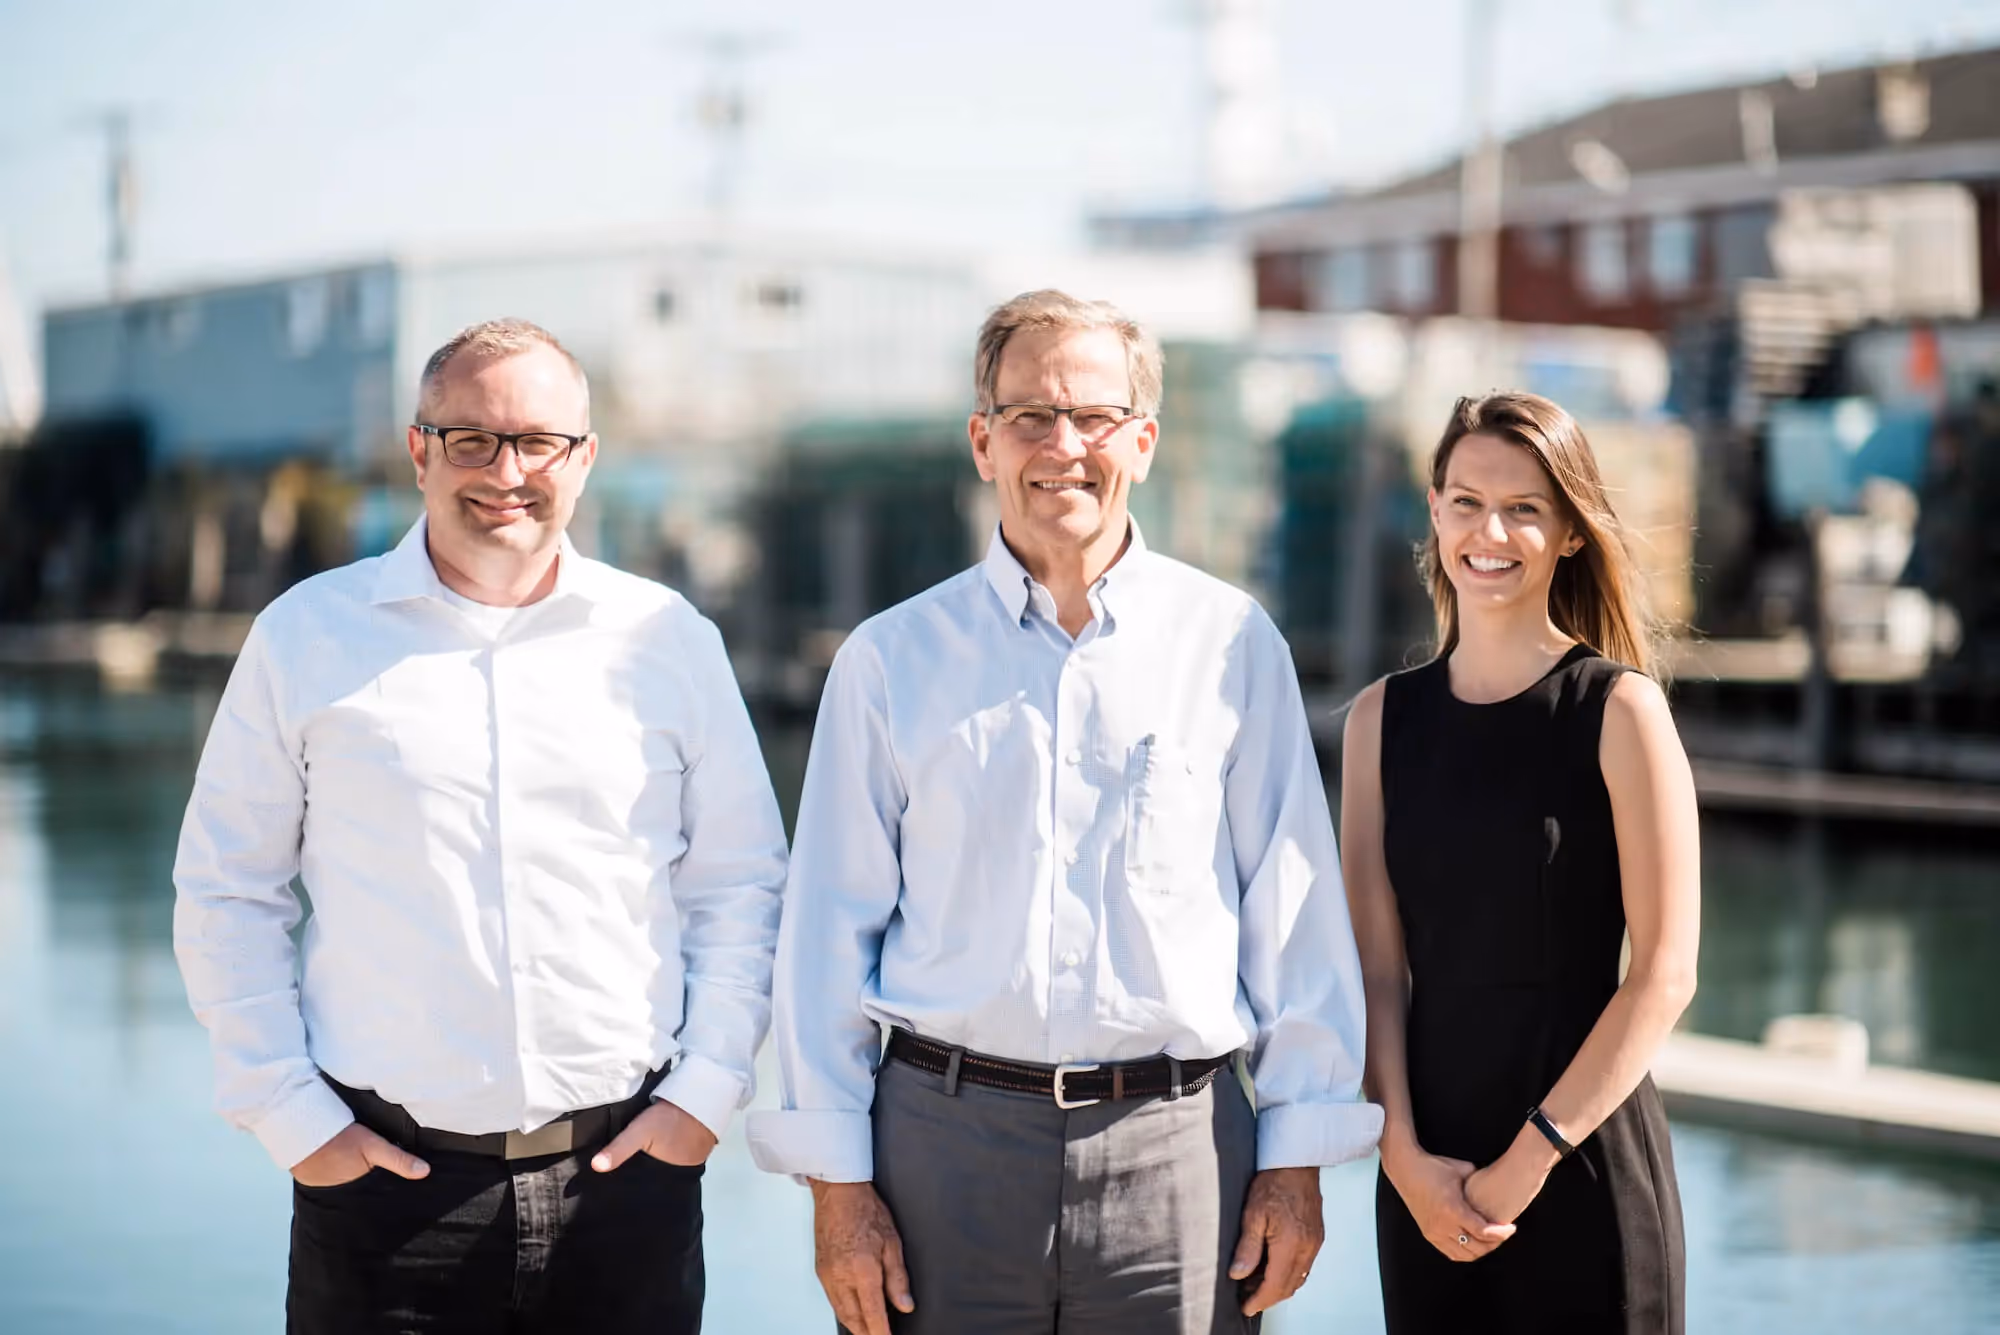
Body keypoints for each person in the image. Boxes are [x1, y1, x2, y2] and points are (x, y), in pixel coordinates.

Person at [747, 289, 1380, 1335]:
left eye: (1091, 415)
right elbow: (823, 936)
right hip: (940, 1151)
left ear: (1142, 437)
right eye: (1030, 416)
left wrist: (1294, 1162)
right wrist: (837, 1189)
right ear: (981, 440)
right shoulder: (887, 661)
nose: (1062, 445)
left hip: (1180, 1154)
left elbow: (1293, 912)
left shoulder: (1230, 644)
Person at [172, 318, 787, 1334]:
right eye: (473, 440)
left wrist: (706, 1093)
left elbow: (738, 888)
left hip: (626, 1194)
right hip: (381, 1205)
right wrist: (294, 1119)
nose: (507, 470)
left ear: (581, 460)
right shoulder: (305, 637)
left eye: (538, 441)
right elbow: (225, 891)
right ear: (420, 451)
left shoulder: (668, 640)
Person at [1341, 392, 1697, 1333]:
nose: (1488, 531)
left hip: (1581, 1168)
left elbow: (1663, 976)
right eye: (1465, 501)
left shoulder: (1620, 712)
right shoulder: (1380, 721)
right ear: (1434, 510)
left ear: (1570, 532)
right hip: (1427, 1185)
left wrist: (1529, 1158)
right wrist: (1403, 1157)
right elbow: (1377, 968)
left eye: (1524, 508)